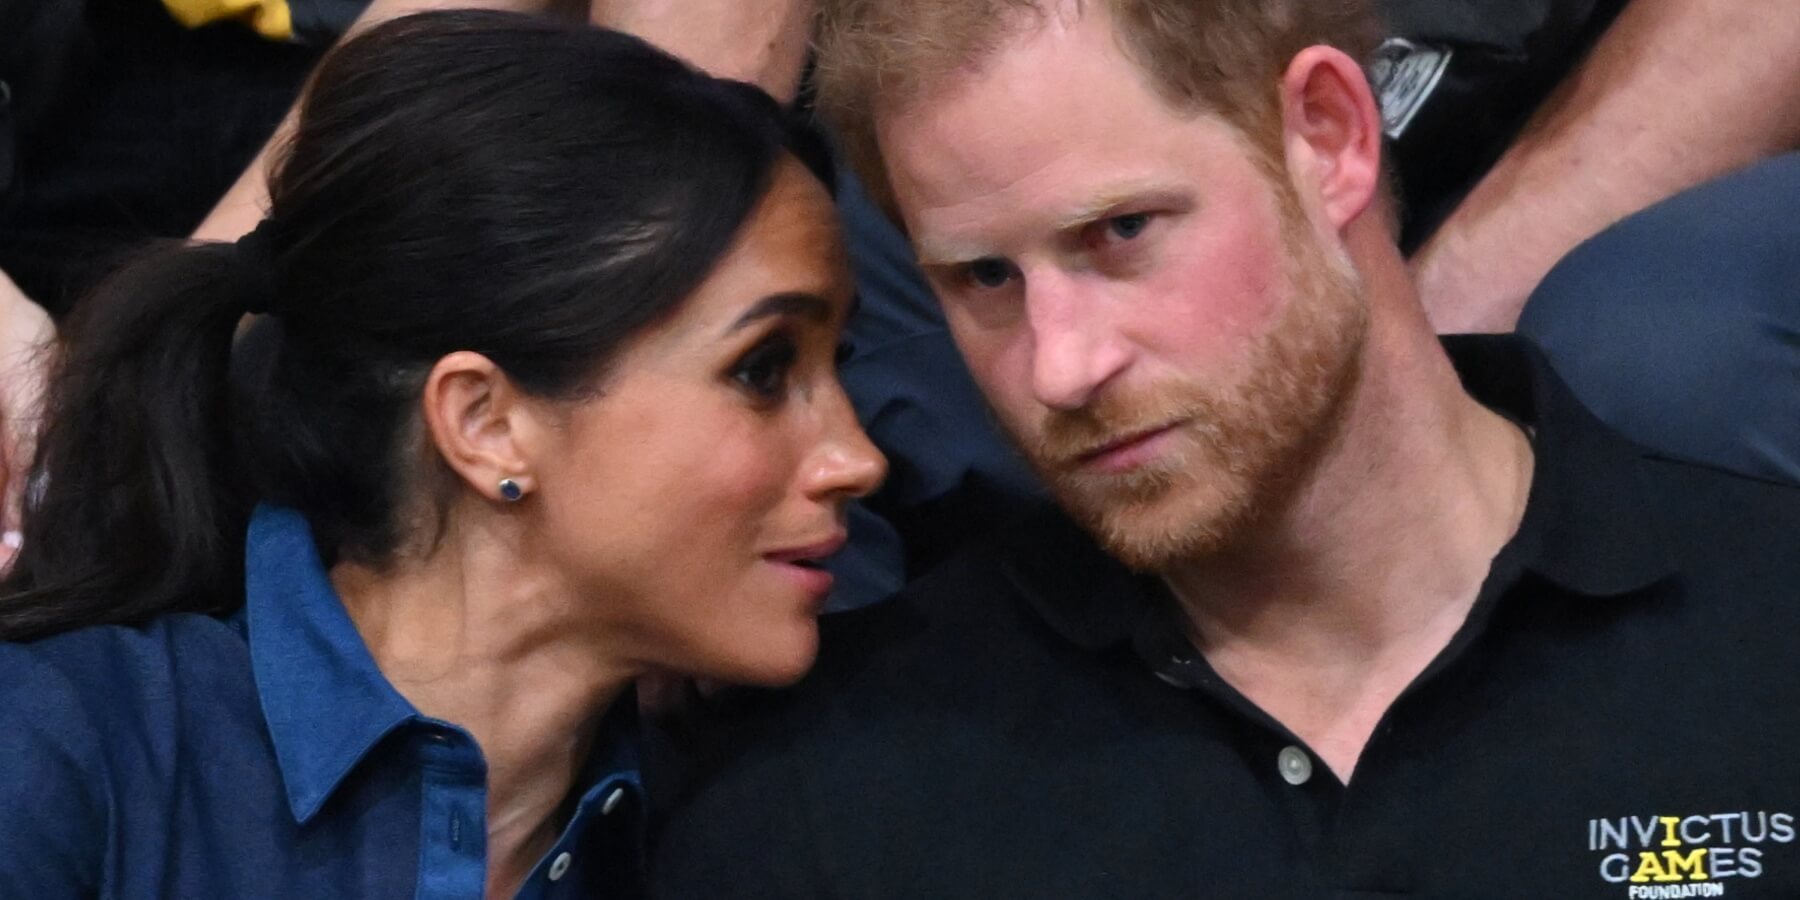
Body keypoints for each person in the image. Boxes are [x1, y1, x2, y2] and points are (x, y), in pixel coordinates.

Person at [648, 0, 1800, 895]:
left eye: (1122, 233)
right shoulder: (833, 789)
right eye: (984, 278)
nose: (1060, 366)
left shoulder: (1765, 630)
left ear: (1330, 138)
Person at [0, 10, 884, 898]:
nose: (857, 459)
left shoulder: (777, 834)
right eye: (763, 371)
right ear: (484, 422)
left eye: (835, 369)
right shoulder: (60, 749)